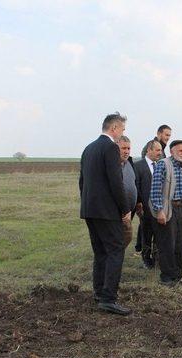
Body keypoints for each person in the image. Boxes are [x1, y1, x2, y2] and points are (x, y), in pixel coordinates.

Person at [79, 112, 132, 316]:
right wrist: (125, 208)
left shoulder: (88, 148)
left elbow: (82, 182)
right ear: (114, 128)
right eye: (122, 130)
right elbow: (115, 182)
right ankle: (109, 298)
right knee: (115, 250)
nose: (122, 134)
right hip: (107, 212)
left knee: (100, 251)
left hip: (90, 210)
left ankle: (99, 292)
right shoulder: (110, 147)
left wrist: (87, 204)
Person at [149, 140, 182, 285]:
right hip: (167, 209)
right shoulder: (163, 164)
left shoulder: (181, 166)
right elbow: (155, 189)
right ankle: (166, 277)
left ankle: (178, 275)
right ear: (172, 151)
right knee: (167, 245)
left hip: (180, 209)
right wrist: (159, 211)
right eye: (180, 151)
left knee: (180, 245)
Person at [135, 124, 172, 252]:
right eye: (166, 135)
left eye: (169, 135)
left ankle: (151, 251)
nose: (168, 137)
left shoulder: (162, 149)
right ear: (159, 133)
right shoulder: (151, 146)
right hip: (146, 198)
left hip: (158, 200)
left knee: (153, 227)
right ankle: (143, 251)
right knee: (146, 226)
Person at [133, 139, 162, 269]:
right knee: (146, 234)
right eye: (157, 150)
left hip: (160, 209)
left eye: (161, 150)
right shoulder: (138, 166)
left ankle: (157, 258)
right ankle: (146, 259)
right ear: (149, 150)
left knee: (159, 234)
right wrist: (139, 204)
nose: (160, 153)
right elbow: (136, 187)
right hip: (145, 208)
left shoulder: (161, 165)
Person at [117, 135, 137, 249]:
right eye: (123, 148)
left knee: (127, 238)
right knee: (115, 243)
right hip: (117, 213)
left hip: (129, 212)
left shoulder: (129, 163)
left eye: (128, 148)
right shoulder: (113, 165)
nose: (126, 151)